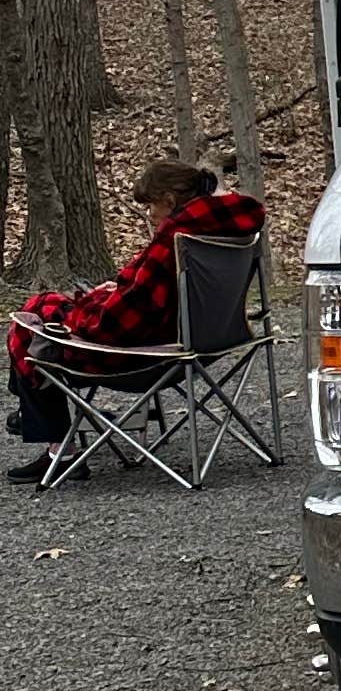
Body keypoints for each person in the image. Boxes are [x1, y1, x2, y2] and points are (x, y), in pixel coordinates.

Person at [7, 153, 266, 484]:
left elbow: (114, 326)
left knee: (32, 320)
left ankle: (59, 447)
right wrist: (117, 287)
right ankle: (33, 414)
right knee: (47, 314)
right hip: (210, 340)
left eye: (151, 206)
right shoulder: (225, 228)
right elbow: (153, 294)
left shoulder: (172, 241)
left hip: (146, 356)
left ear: (169, 200)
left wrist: (87, 310)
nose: (150, 214)